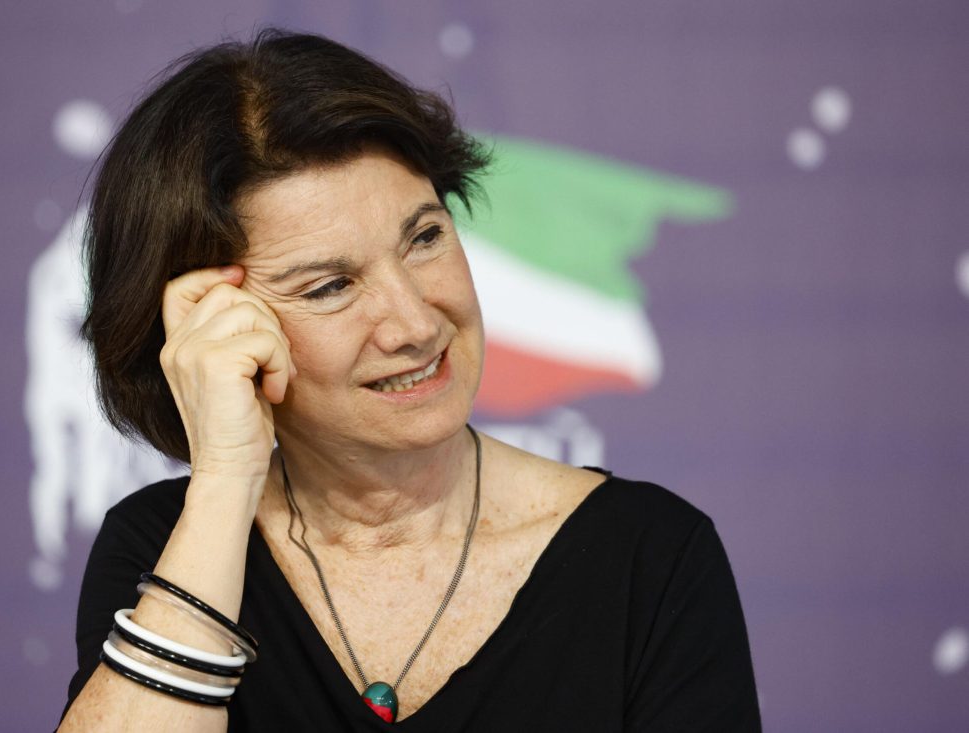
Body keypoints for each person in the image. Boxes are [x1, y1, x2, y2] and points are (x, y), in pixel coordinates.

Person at [57, 29, 761, 732]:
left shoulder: (650, 557)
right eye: (331, 286)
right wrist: (225, 483)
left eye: (424, 238)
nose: (416, 324)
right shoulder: (163, 548)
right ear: (217, 327)